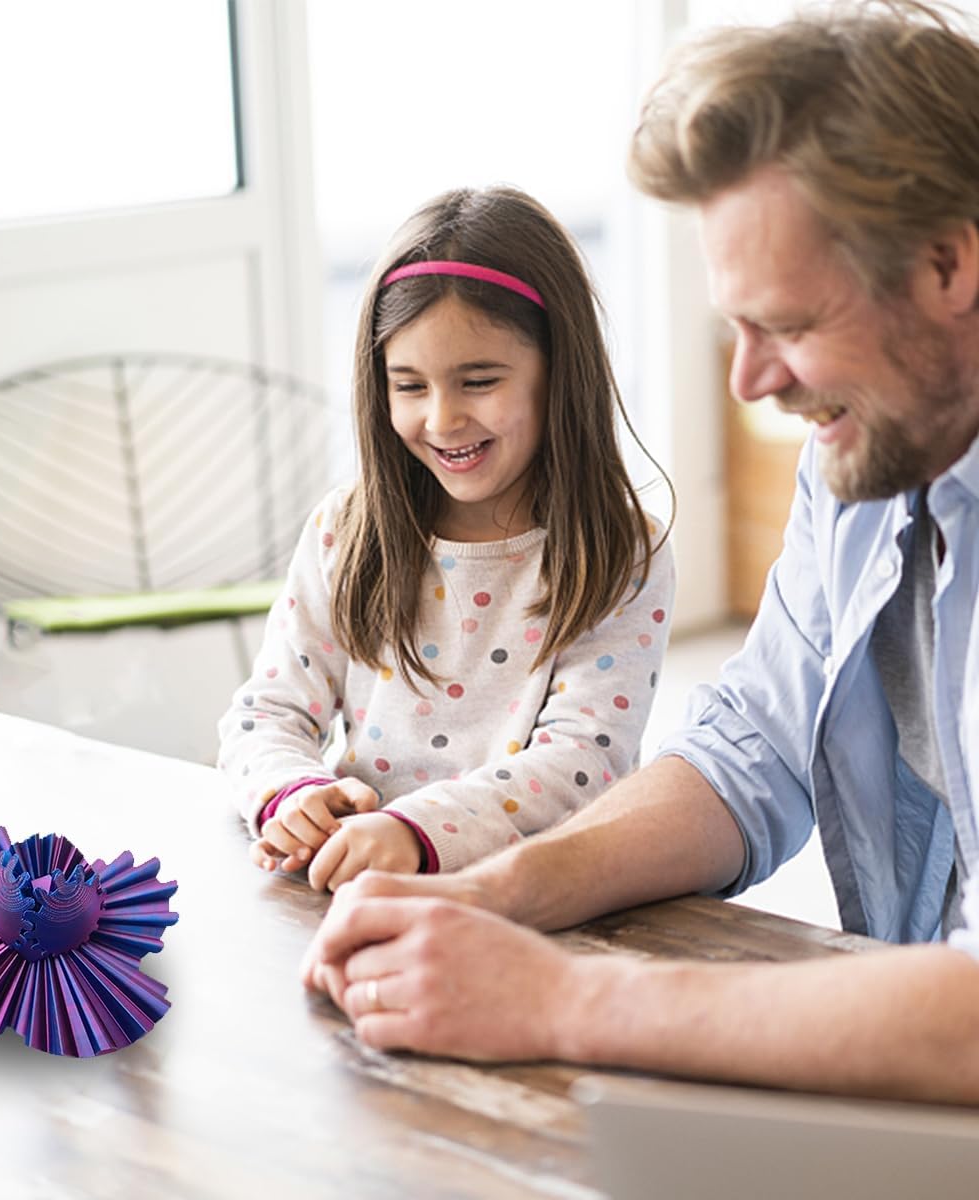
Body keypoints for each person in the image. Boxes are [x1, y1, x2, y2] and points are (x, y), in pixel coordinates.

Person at [302, 0, 979, 1105]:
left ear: (950, 263)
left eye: (792, 324)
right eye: (735, 330)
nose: (750, 383)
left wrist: (563, 1000)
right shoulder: (864, 453)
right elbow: (751, 748)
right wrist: (497, 893)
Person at [217, 186, 674, 893]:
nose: (443, 418)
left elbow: (584, 761)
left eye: (479, 380)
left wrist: (414, 831)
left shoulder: (619, 554)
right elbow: (266, 712)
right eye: (409, 386)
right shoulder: (344, 532)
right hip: (357, 889)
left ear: (560, 371)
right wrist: (291, 794)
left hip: (541, 899)